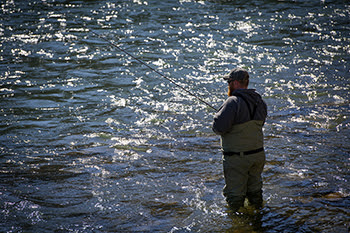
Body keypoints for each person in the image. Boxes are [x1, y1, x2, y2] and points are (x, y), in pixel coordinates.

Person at [212, 67, 267, 212]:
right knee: (255, 191)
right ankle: (258, 218)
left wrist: (218, 116)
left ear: (235, 83)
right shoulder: (259, 101)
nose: (228, 85)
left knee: (235, 196)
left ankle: (237, 224)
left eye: (229, 82)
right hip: (258, 155)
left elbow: (218, 128)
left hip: (238, 158)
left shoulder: (232, 102)